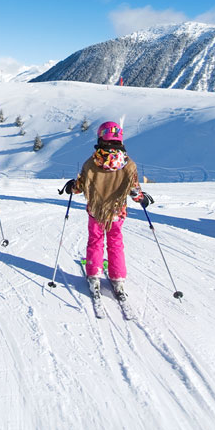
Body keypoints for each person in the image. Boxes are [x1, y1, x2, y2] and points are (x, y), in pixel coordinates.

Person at [63, 120, 153, 300]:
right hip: (117, 212)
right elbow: (133, 189)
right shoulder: (128, 164)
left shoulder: (92, 162)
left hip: (96, 210)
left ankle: (94, 274)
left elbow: (80, 187)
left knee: (95, 241)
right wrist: (141, 198)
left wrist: (71, 187)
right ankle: (117, 277)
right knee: (115, 242)